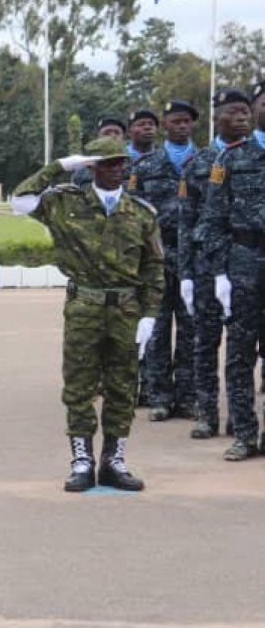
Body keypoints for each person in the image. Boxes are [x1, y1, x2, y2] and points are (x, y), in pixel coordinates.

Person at [13, 137, 164, 490]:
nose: (117, 169)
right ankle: (82, 459)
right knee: (79, 386)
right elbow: (20, 201)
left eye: (121, 163)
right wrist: (62, 165)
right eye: (108, 163)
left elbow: (154, 268)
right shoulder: (66, 203)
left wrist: (150, 315)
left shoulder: (140, 212)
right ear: (92, 166)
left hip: (126, 309)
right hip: (84, 307)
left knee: (123, 386)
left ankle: (115, 459)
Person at [195, 89, 265, 461]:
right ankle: (245, 434)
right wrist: (220, 273)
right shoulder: (230, 157)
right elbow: (213, 221)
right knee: (240, 353)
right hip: (245, 259)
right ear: (254, 111)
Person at [130, 106, 194, 422]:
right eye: (175, 121)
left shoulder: (207, 161)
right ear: (165, 125)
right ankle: (159, 397)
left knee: (190, 330)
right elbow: (133, 213)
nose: (182, 126)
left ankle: (187, 398)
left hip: (193, 260)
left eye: (187, 121)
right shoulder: (145, 166)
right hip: (155, 258)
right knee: (156, 328)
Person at [172, 100, 222, 437]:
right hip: (206, 265)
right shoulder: (197, 164)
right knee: (205, 341)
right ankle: (207, 413)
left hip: (251, 263)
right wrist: (186, 272)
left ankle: (245, 422)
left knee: (247, 348)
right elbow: (185, 222)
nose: (240, 117)